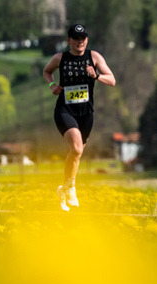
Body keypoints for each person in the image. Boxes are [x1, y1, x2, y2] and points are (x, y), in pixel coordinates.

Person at [43, 23, 115, 211]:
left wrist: (96, 76)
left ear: (87, 40)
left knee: (75, 154)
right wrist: (52, 85)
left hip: (86, 114)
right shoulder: (60, 58)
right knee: (76, 148)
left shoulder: (94, 57)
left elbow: (112, 80)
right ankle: (72, 188)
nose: (80, 42)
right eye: (76, 38)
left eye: (83, 38)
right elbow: (47, 71)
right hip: (65, 110)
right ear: (69, 41)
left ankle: (63, 189)